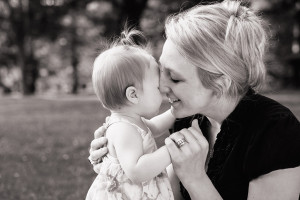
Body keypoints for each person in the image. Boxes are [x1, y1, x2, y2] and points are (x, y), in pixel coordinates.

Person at [89, 0, 300, 199]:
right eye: (162, 70)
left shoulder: (275, 132)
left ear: (221, 83)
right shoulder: (190, 118)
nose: (161, 86)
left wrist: (195, 178)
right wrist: (116, 165)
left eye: (175, 78)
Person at [86, 29, 178, 200]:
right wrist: (172, 149)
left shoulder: (132, 122)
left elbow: (156, 127)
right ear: (133, 95)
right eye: (157, 88)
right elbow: (136, 171)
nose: (163, 91)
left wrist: (175, 112)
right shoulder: (123, 130)